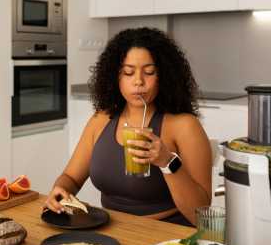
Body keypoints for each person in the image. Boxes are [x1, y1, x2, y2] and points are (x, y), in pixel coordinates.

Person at [45, 27, 212, 226]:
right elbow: (71, 177)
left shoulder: (184, 126)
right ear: (116, 77)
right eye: (128, 72)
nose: (138, 81)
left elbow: (201, 216)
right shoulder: (101, 120)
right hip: (109, 230)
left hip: (168, 234)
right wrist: (60, 190)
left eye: (149, 72)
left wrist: (167, 162)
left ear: (164, 76)